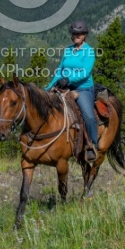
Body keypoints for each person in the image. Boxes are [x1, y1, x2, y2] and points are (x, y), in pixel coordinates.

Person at [45, 20, 98, 162]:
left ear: (84, 35)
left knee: (88, 115)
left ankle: (92, 144)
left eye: (79, 33)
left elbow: (85, 73)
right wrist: (49, 87)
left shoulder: (89, 51)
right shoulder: (68, 50)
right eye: (74, 33)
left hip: (83, 88)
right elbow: (60, 71)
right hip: (65, 86)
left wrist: (69, 79)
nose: (76, 36)